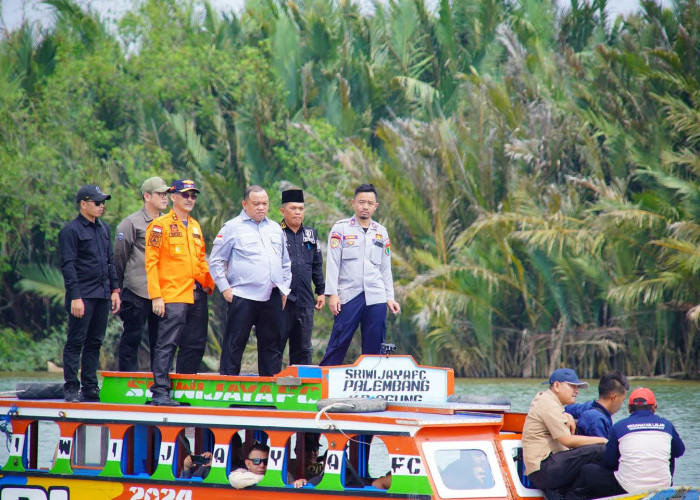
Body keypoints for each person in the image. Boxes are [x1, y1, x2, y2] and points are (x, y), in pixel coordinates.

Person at [145, 179, 215, 406]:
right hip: (173, 294)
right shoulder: (160, 225)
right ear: (173, 196)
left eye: (193, 195)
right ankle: (160, 392)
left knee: (194, 344)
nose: (190, 199)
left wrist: (208, 284)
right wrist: (156, 295)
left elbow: (201, 259)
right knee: (167, 343)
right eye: (186, 195)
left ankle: (187, 391)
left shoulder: (195, 225)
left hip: (197, 293)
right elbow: (151, 262)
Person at [209, 185, 291, 376]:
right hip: (242, 295)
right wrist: (224, 288)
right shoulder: (232, 227)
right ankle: (227, 389)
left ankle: (269, 393)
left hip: (271, 295)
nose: (261, 207)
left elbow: (285, 262)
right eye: (256, 204)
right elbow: (216, 261)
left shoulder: (275, 228)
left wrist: (284, 289)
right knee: (234, 345)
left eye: (265, 203)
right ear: (245, 204)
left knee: (271, 346)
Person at [320, 183, 400, 366]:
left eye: (370, 203)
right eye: (361, 202)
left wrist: (390, 297)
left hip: (376, 296)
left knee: (375, 346)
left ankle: (371, 387)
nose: (365, 206)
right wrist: (332, 294)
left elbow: (385, 268)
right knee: (339, 341)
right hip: (349, 294)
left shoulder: (381, 232)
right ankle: (325, 380)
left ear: (375, 206)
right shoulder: (340, 229)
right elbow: (333, 263)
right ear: (353, 203)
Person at [59, 185, 121, 402]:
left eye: (103, 202)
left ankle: (90, 387)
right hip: (82, 295)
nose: (101, 206)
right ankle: (71, 386)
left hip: (102, 293)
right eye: (97, 202)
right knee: (76, 340)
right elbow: (68, 266)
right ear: (83, 204)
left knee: (95, 341)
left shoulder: (104, 228)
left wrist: (115, 290)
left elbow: (110, 261)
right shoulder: (71, 231)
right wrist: (75, 297)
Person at [572, 388, 686, 498]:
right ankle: (663, 486)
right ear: (654, 407)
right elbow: (680, 451)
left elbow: (609, 462)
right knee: (671, 452)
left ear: (629, 408)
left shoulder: (619, 427)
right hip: (663, 487)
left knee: (587, 471)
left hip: (628, 488)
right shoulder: (667, 425)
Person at [522, 368, 607, 497]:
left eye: (577, 387)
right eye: (572, 386)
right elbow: (566, 440)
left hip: (544, 468)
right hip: (544, 468)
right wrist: (603, 440)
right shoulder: (549, 405)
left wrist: (567, 414)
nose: (576, 391)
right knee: (600, 451)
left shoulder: (547, 401)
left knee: (591, 463)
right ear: (557, 385)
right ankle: (573, 496)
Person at [114, 176, 170, 371]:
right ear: (147, 196)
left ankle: (160, 384)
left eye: (166, 194)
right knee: (131, 338)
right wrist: (119, 288)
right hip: (137, 290)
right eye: (160, 194)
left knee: (161, 341)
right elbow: (120, 256)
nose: (165, 198)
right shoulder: (131, 223)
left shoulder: (169, 223)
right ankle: (127, 383)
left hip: (162, 292)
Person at [279, 189, 325, 365]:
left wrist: (321, 291)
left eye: (301, 208)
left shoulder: (311, 234)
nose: (298, 212)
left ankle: (303, 388)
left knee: (304, 348)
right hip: (282, 299)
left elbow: (316, 265)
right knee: (276, 344)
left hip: (305, 300)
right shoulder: (275, 232)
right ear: (283, 211)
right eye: (293, 208)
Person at [565, 370, 629, 438]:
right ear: (614, 397)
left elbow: (565, 409)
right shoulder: (597, 419)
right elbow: (602, 447)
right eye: (622, 399)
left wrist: (566, 415)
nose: (621, 404)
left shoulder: (588, 406)